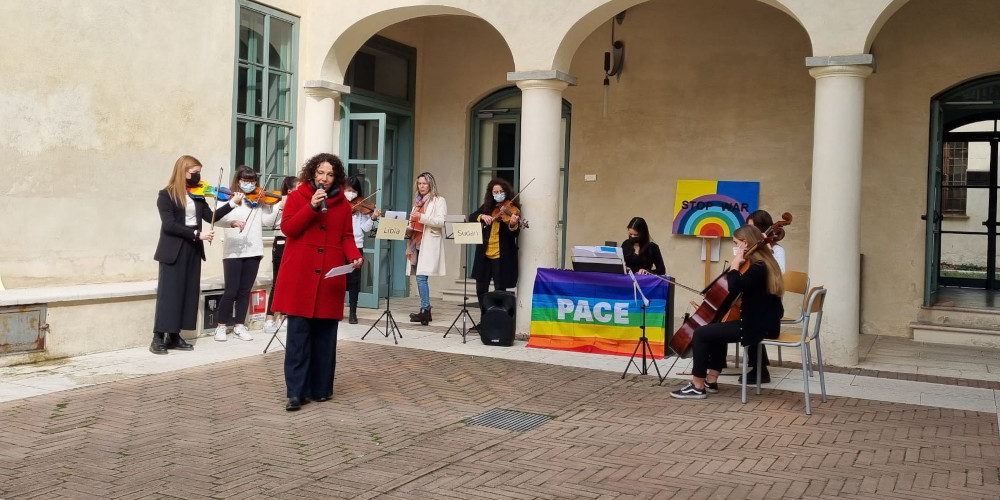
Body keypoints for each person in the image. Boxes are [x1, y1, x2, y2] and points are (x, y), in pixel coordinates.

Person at [271, 153, 362, 411]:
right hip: (300, 275)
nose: (324, 178)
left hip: (329, 277)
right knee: (298, 338)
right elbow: (289, 229)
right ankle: (295, 393)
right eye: (321, 172)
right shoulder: (297, 197)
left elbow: (346, 236)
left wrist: (354, 256)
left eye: (330, 174)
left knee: (325, 338)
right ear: (313, 173)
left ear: (336, 178)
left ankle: (321, 388)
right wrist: (311, 207)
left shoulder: (343, 205)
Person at [670, 225, 784, 399]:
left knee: (700, 333)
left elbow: (735, 285)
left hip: (755, 326)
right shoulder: (767, 263)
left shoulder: (757, 267)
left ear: (745, 243)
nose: (735, 247)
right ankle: (711, 380)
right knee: (718, 327)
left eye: (736, 243)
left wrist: (735, 265)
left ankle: (697, 386)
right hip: (766, 324)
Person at [151, 155, 241, 354]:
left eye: (199, 172)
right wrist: (196, 234)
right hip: (174, 248)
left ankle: (174, 336)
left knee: (187, 292)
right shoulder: (166, 195)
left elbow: (210, 217)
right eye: (195, 172)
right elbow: (169, 225)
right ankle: (158, 336)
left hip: (193, 248)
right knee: (169, 294)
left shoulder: (198, 194)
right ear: (183, 172)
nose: (199, 176)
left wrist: (232, 204)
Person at [212, 166, 280, 342]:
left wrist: (277, 205)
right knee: (231, 290)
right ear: (238, 180)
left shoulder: (258, 200)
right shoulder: (228, 198)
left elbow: (268, 221)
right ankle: (220, 326)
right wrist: (233, 206)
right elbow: (216, 220)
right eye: (245, 180)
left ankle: (239, 326)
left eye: (252, 181)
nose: (249, 184)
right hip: (233, 251)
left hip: (254, 249)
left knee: (245, 291)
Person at [469, 178, 521, 325]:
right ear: (491, 194)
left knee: (500, 290)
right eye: (495, 192)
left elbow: (514, 234)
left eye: (501, 191)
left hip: (501, 256)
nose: (498, 194)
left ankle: (499, 320)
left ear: (506, 192)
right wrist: (482, 216)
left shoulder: (512, 208)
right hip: (484, 255)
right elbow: (472, 216)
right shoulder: (487, 207)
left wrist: (513, 224)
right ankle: (484, 320)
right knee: (481, 289)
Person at [744, 209, 787, 383]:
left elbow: (779, 274)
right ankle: (716, 363)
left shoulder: (777, 250)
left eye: (752, 229)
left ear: (763, 230)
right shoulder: (751, 250)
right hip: (755, 304)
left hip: (769, 309)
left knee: (750, 321)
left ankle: (760, 368)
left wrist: (768, 250)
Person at [406, 172, 448, 326]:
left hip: (429, 241)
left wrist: (421, 217)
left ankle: (425, 310)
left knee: (421, 277)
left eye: (424, 183)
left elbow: (441, 221)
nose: (421, 186)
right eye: (419, 183)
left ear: (431, 184)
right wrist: (407, 228)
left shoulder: (439, 200)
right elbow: (413, 221)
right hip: (415, 241)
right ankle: (425, 310)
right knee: (419, 276)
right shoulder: (417, 202)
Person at [264, 176, 300, 334]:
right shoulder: (278, 202)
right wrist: (281, 207)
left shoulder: (301, 203)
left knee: (291, 281)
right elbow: (268, 223)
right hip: (281, 241)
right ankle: (269, 318)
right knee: (278, 281)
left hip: (296, 242)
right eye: (299, 187)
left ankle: (285, 316)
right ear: (290, 191)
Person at [344, 175, 380, 324]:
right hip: (340, 246)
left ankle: (353, 312)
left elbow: (365, 228)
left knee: (354, 281)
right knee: (338, 280)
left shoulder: (361, 207)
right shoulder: (340, 206)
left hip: (357, 246)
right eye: (348, 190)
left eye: (354, 191)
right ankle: (336, 310)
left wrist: (373, 218)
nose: (351, 194)